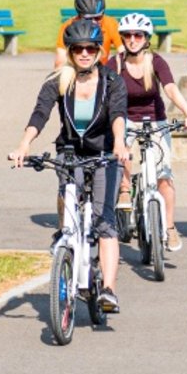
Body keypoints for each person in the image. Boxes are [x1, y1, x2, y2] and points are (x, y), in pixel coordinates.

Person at [9, 18, 128, 314]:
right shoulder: (59, 80)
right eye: (78, 49)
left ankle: (109, 290)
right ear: (71, 52)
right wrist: (24, 145)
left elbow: (118, 115)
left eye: (90, 48)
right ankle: (66, 245)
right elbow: (40, 114)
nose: (84, 54)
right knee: (69, 203)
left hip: (104, 154)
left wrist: (120, 144)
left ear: (99, 51)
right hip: (71, 151)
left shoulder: (112, 81)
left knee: (104, 222)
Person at [114, 11, 187, 253]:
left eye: (137, 35)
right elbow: (104, 91)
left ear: (146, 38)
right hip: (126, 119)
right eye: (127, 35)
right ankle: (125, 191)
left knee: (164, 175)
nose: (132, 39)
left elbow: (170, 88)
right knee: (122, 151)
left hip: (156, 120)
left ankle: (169, 227)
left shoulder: (156, 61)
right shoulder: (116, 63)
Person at [55, 0, 122, 68]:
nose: (93, 22)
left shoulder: (110, 23)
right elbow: (61, 59)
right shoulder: (69, 26)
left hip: (101, 72)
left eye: (97, 18)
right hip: (76, 70)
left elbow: (123, 51)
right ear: (79, 16)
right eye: (88, 19)